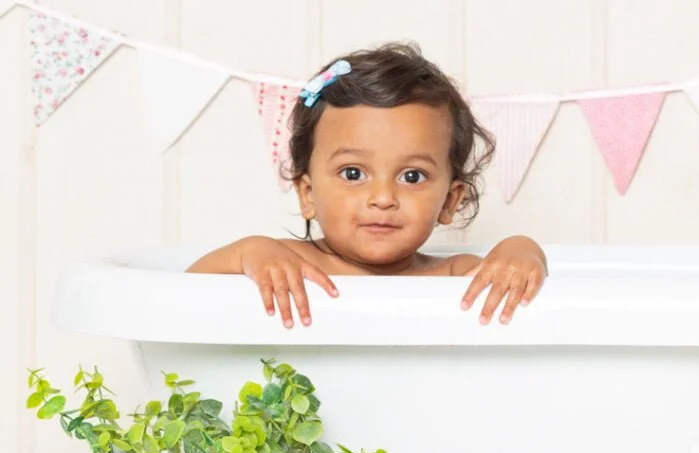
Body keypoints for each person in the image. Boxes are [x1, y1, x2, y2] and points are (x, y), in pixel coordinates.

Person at [187, 43, 547, 328]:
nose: (383, 198)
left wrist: (522, 248)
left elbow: (513, 278)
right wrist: (250, 252)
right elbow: (183, 292)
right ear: (307, 194)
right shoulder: (288, 264)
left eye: (412, 176)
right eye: (353, 173)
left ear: (450, 201)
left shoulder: (452, 276)